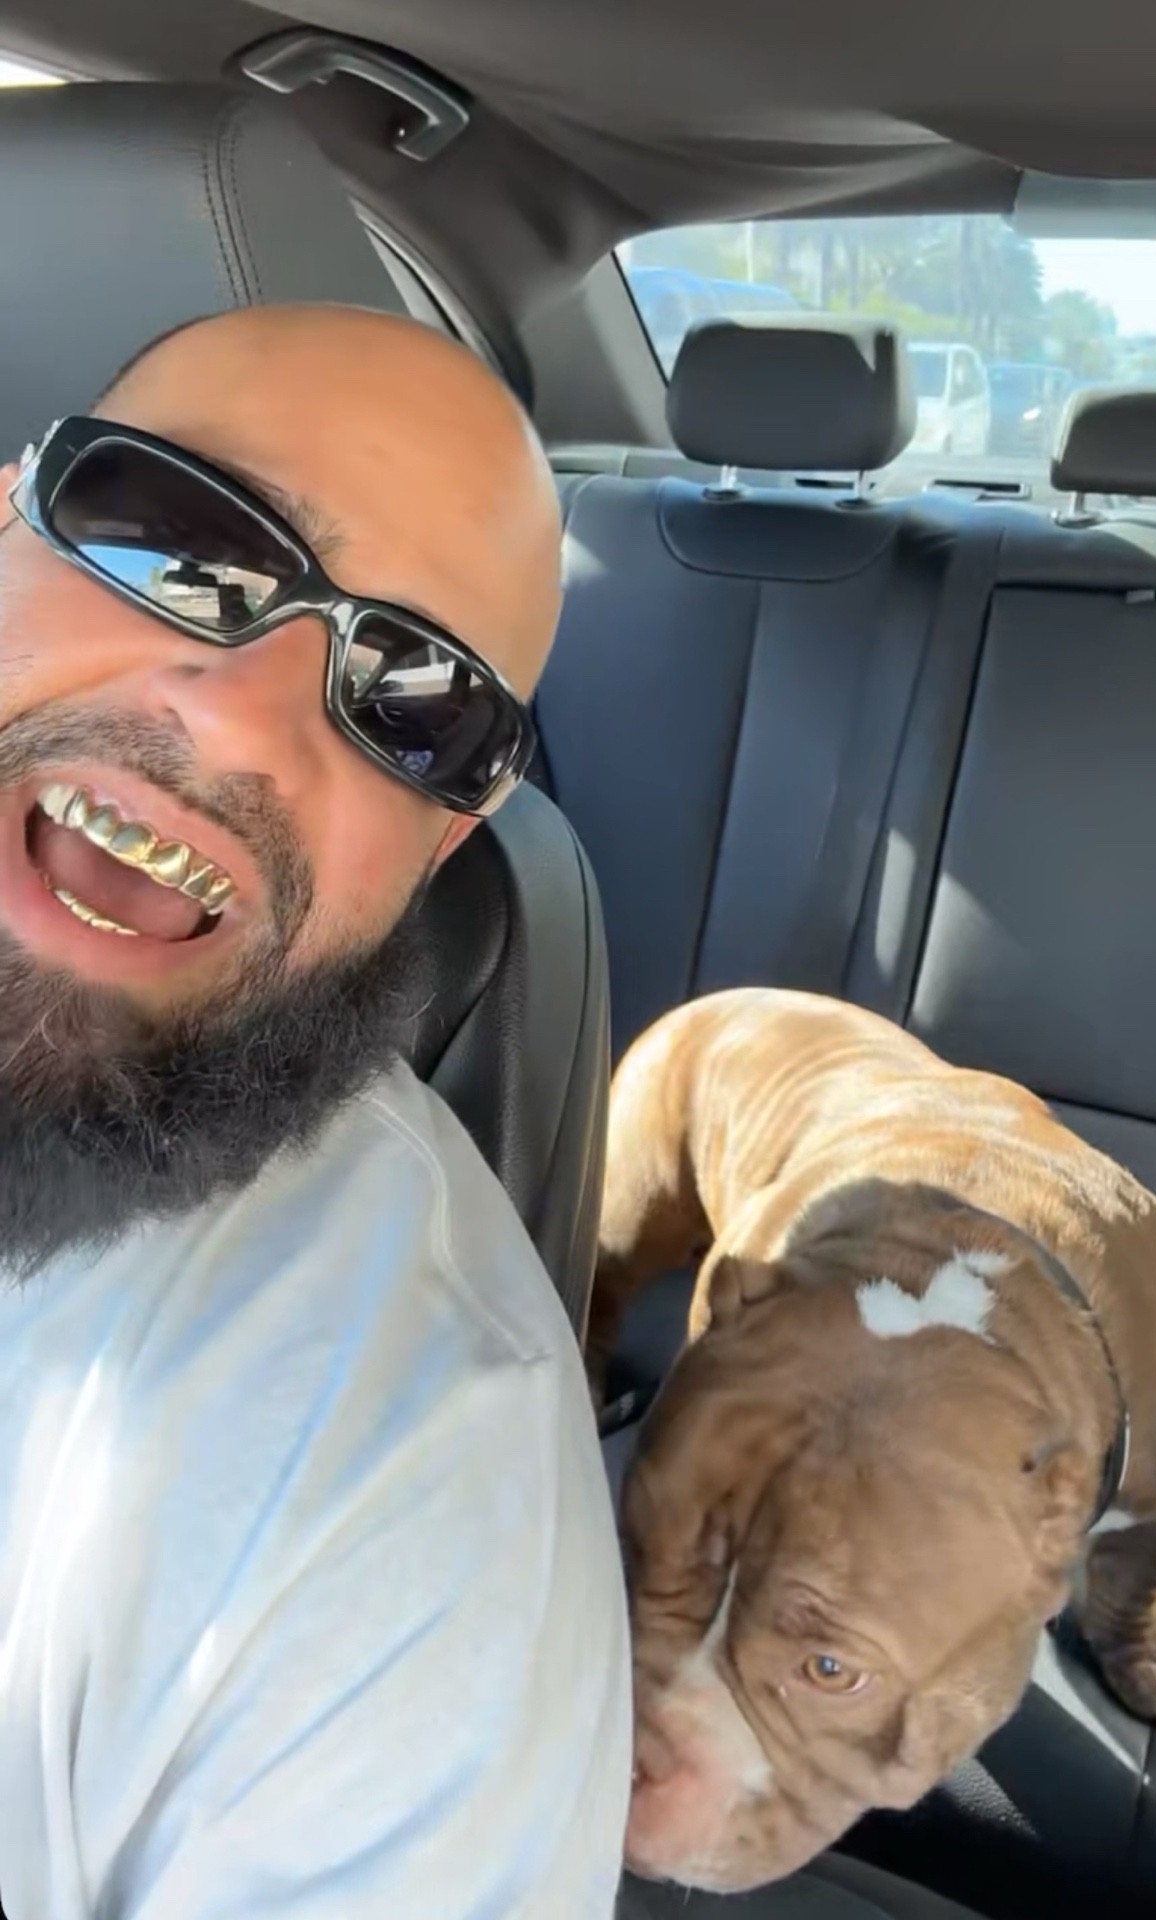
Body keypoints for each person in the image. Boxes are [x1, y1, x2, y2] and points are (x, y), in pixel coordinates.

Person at [0, 304, 631, 1920]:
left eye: (416, 701)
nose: (242, 718)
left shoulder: (409, 1486)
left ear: (444, 843)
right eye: (173, 541)